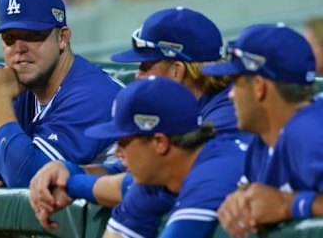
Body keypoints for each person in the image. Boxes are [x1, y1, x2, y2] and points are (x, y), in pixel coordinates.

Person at [29, 7, 250, 230]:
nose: (138, 76)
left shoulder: (233, 113)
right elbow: (138, 171)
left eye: (146, 67)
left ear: (176, 71)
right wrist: (72, 172)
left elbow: (166, 179)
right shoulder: (175, 113)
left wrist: (76, 183)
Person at [0, 0, 122, 221]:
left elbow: (27, 178)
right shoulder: (23, 86)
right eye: (9, 39)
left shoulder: (93, 93)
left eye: (32, 36)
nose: (19, 49)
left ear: (62, 38)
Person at [83, 77, 244, 238]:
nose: (117, 152)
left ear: (160, 142)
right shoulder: (155, 180)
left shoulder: (214, 173)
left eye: (124, 142)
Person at [201, 24, 323, 237]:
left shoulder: (309, 134)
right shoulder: (261, 143)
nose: (230, 96)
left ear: (259, 86)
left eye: (235, 84)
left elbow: (282, 203)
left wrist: (289, 205)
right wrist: (238, 201)